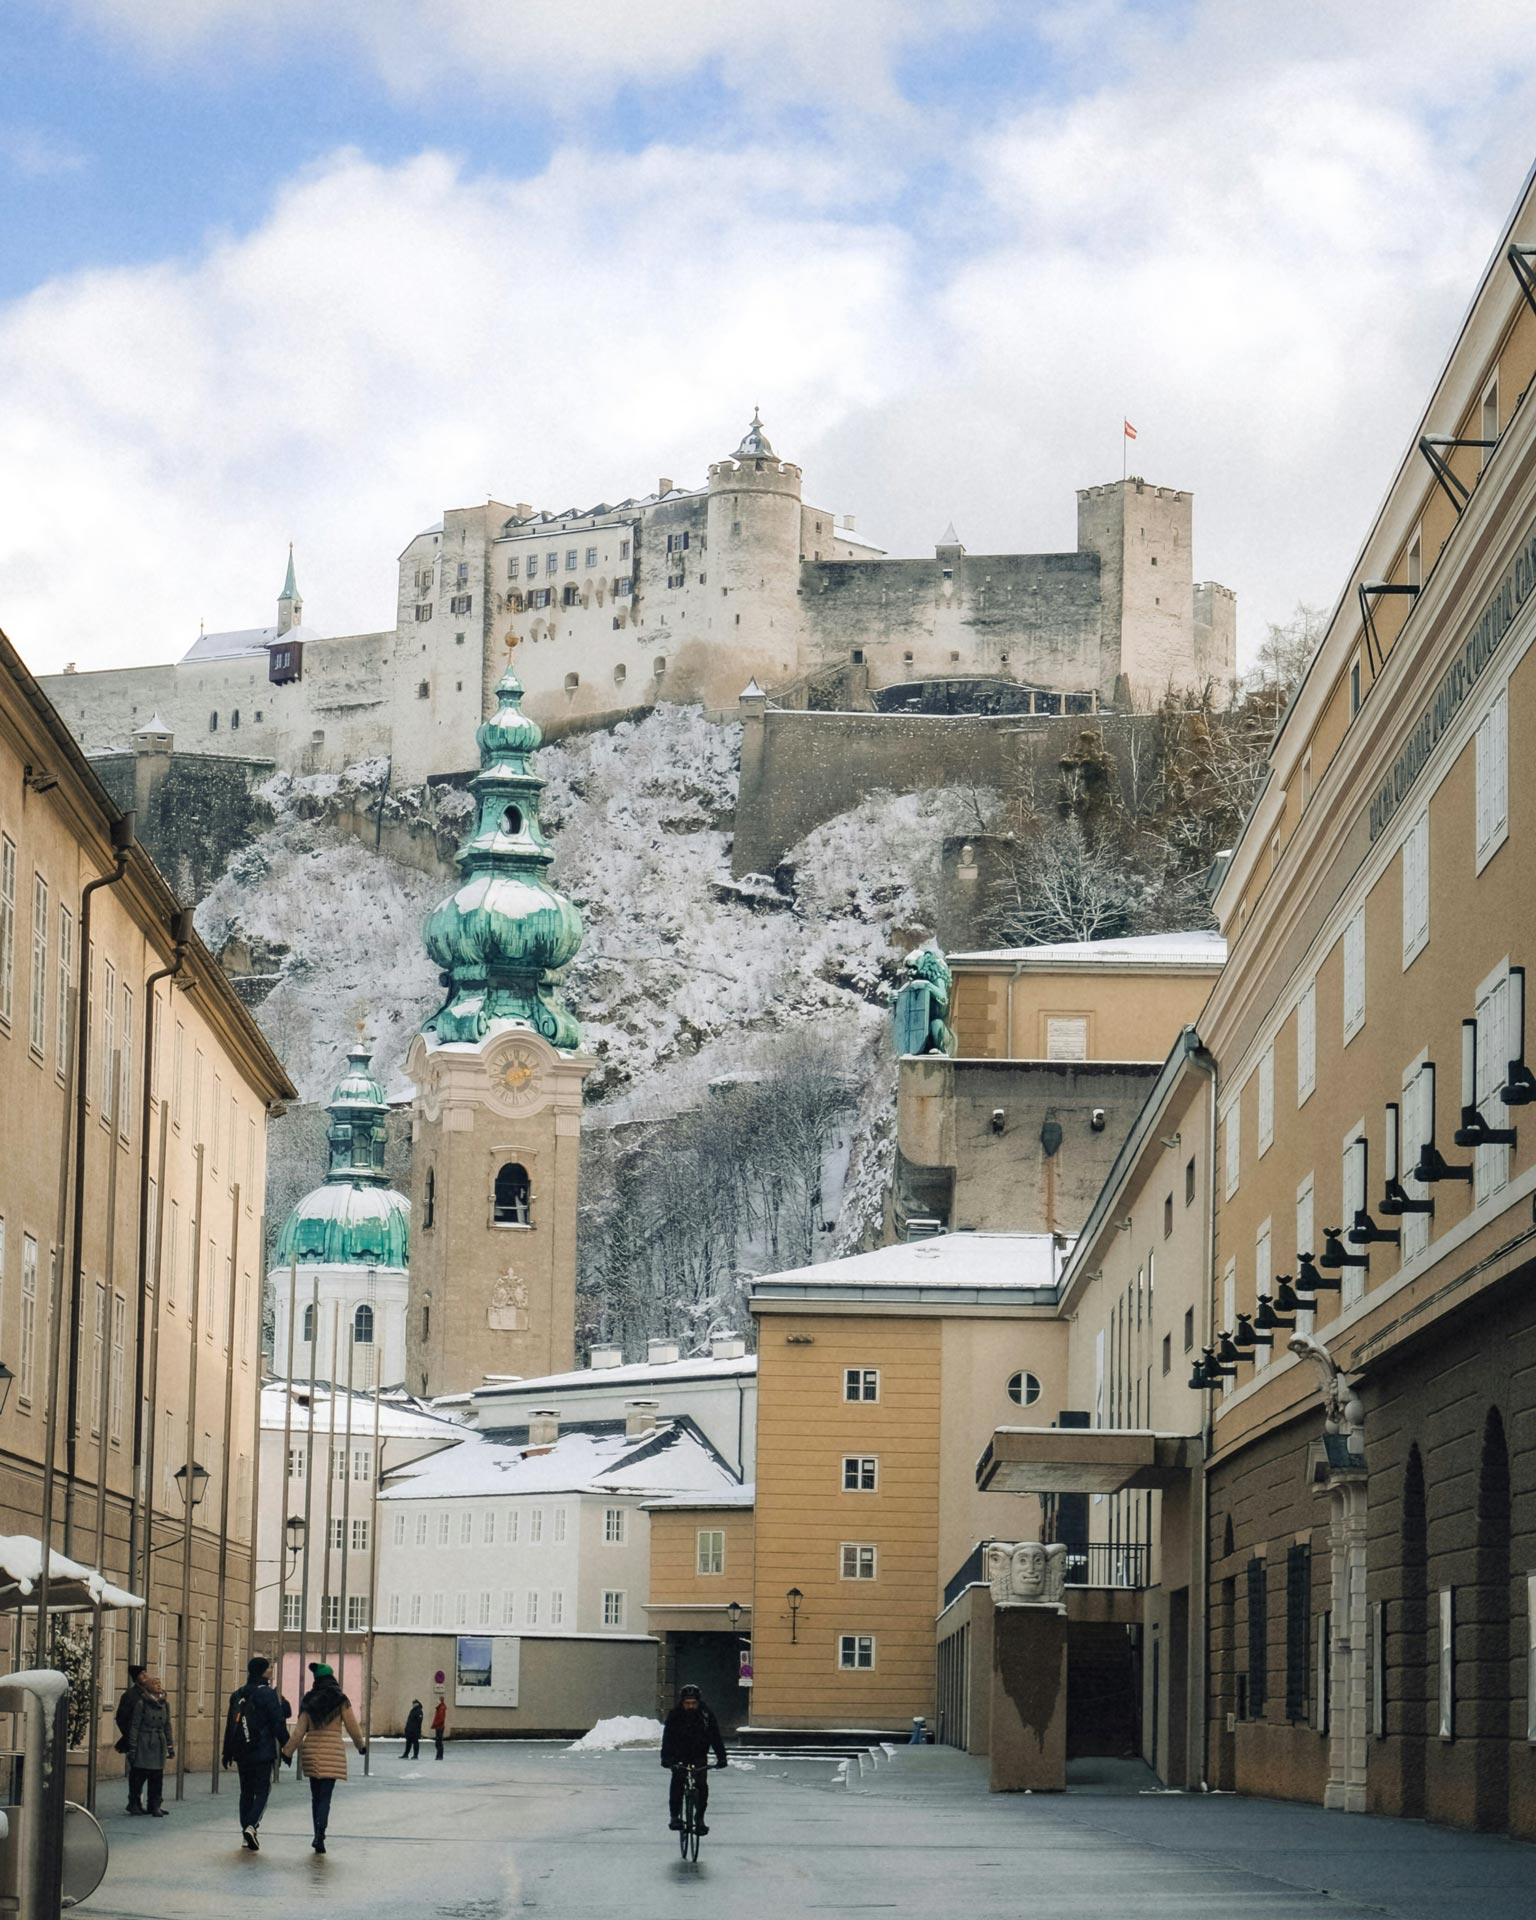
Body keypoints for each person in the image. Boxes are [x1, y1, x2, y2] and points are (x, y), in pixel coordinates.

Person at [281, 1663, 366, 1855]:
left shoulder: (309, 1700)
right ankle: (321, 1833)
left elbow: (299, 1731)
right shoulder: (341, 1700)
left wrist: (287, 1752)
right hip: (332, 1753)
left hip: (312, 1753)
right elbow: (352, 1726)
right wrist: (360, 1746)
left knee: (315, 1796)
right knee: (325, 1798)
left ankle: (316, 1831)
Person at [221, 1655, 291, 1851]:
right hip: (262, 1750)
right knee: (262, 1791)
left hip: (242, 1751)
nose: (271, 1671)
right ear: (262, 1671)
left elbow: (230, 1725)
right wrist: (287, 1747)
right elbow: (278, 1723)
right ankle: (251, 1826)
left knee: (246, 1792)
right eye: (269, 1668)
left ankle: (246, 1832)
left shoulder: (237, 1694)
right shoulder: (267, 1694)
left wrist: (226, 1752)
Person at [660, 1683, 727, 1835]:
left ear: (698, 1702)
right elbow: (667, 1738)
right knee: (677, 1782)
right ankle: (675, 1817)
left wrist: (721, 1757)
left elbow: (715, 1737)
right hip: (679, 1755)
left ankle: (700, 1819)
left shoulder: (706, 1715)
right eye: (687, 1703)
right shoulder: (675, 1715)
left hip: (699, 1755)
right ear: (682, 1702)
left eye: (693, 1703)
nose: (690, 1706)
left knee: (702, 1785)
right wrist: (666, 1758)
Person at [124, 1670, 174, 1817]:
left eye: (159, 1683)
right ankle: (134, 1803)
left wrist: (170, 1745)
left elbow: (167, 1725)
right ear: (148, 1687)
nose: (158, 1685)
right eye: (155, 1683)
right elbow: (135, 1726)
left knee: (157, 1776)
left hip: (158, 1743)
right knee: (139, 1775)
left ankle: (155, 1804)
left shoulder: (165, 1704)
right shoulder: (142, 1703)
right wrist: (132, 1747)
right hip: (144, 1743)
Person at [114, 1663, 145, 1755]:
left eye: (145, 1673)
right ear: (136, 1677)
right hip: (134, 1738)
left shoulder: (150, 1693)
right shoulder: (129, 1695)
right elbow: (121, 1718)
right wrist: (129, 1735)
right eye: (142, 1674)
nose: (145, 1675)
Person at [431, 1696, 446, 1760]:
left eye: (438, 1700)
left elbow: (441, 1719)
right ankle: (439, 1755)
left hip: (439, 1727)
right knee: (438, 1742)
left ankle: (439, 1756)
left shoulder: (441, 1708)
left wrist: (435, 1724)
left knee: (438, 1742)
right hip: (439, 1726)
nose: (437, 1702)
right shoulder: (440, 1708)